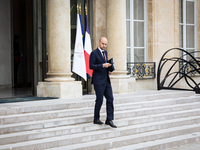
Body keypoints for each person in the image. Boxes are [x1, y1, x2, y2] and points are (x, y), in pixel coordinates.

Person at [89, 37, 117, 128]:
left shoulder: (106, 52)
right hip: (98, 81)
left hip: (106, 80)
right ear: (99, 43)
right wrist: (102, 65)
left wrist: (109, 68)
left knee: (110, 99)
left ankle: (109, 119)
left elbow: (105, 65)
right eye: (103, 44)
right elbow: (91, 66)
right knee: (99, 100)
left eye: (105, 44)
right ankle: (96, 118)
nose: (104, 46)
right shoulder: (93, 53)